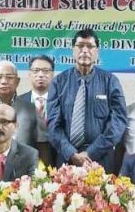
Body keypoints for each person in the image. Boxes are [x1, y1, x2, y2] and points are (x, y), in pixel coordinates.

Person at [47, 29, 127, 173]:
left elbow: (118, 122)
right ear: (73, 50)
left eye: (90, 46)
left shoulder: (110, 81)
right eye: (80, 46)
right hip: (67, 159)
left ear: (97, 52)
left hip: (100, 159)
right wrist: (71, 153)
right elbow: (53, 125)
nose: (85, 51)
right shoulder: (58, 82)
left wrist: (91, 152)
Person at [16, 55, 57, 165]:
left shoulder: (61, 101)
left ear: (52, 74)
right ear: (29, 74)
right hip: (25, 161)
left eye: (45, 71)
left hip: (56, 159)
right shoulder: (17, 102)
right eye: (36, 70)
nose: (40, 75)